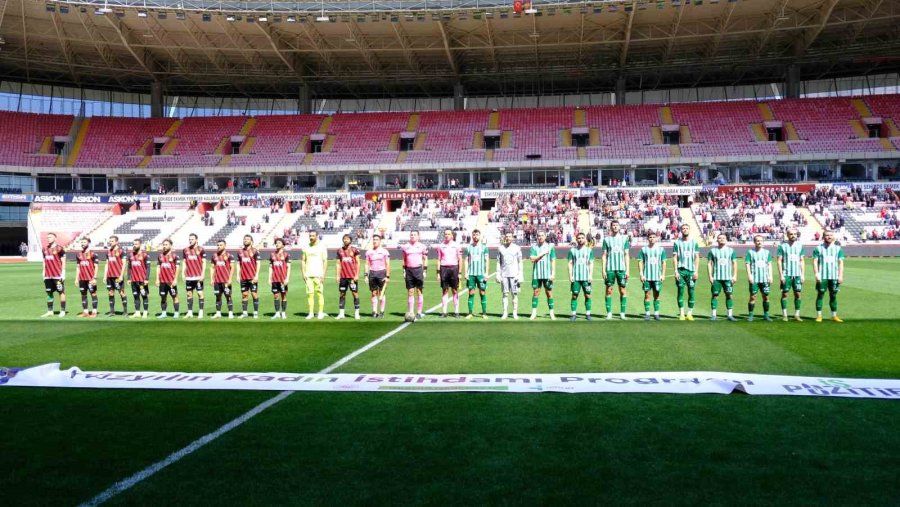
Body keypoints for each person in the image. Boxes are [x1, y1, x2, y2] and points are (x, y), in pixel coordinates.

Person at [812, 229, 845, 322]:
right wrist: (817, 274)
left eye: (830, 235)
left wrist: (840, 275)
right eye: (827, 235)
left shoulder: (838, 249)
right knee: (820, 294)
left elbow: (841, 263)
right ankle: (819, 316)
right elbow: (815, 262)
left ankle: (834, 316)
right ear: (823, 237)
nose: (829, 237)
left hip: (834, 276)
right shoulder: (818, 248)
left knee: (833, 295)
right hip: (822, 276)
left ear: (833, 237)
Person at [602, 220, 630, 320]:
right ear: (611, 227)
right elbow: (604, 255)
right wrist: (603, 270)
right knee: (609, 290)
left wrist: (627, 270)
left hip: (621, 269)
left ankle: (622, 313)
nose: (615, 227)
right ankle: (609, 313)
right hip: (610, 269)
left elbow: (626, 255)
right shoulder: (606, 240)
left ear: (619, 227)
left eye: (616, 225)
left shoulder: (624, 239)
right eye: (613, 225)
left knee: (622, 290)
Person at [672, 223, 700, 321]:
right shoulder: (677, 243)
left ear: (689, 229)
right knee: (680, 291)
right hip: (681, 271)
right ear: (681, 230)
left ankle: (689, 313)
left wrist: (696, 271)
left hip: (691, 271)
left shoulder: (694, 242)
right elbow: (674, 257)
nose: (685, 230)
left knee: (691, 292)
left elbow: (697, 257)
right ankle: (681, 314)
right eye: (683, 228)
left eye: (686, 228)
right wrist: (676, 271)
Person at [707, 233, 737, 321]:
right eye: (720, 238)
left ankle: (730, 315)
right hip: (716, 278)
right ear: (717, 240)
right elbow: (709, 264)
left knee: (729, 295)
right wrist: (710, 276)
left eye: (723, 238)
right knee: (715, 295)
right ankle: (713, 315)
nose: (722, 239)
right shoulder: (712, 251)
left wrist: (734, 275)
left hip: (728, 278)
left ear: (726, 240)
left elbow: (734, 263)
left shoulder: (731, 251)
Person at [777, 228, 805, 322]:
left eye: (795, 234)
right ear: (787, 235)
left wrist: (802, 274)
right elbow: (779, 261)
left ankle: (797, 314)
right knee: (785, 294)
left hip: (797, 274)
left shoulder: (800, 246)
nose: (793, 235)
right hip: (786, 274)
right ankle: (785, 315)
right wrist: (781, 275)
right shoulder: (782, 246)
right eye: (791, 234)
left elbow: (802, 261)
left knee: (798, 293)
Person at [638, 231, 666, 321]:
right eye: (650, 237)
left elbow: (664, 262)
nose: (652, 239)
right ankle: (647, 313)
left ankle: (656, 313)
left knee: (657, 294)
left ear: (656, 238)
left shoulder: (661, 249)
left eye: (653, 237)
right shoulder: (643, 249)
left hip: (657, 276)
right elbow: (640, 262)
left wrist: (663, 275)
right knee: (647, 295)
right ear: (648, 239)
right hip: (647, 277)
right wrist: (641, 274)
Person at [401, 230, 428, 320]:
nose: (412, 236)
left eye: (414, 235)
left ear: (418, 236)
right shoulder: (405, 247)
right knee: (410, 292)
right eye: (411, 235)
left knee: (419, 291)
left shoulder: (422, 246)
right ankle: (411, 312)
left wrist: (424, 270)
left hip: (418, 270)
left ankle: (419, 312)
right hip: (409, 270)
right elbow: (404, 259)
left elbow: (425, 259)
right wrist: (404, 270)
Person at [567, 232, 595, 321]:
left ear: (585, 239)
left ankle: (588, 314)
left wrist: (590, 275)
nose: (580, 239)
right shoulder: (572, 250)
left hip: (586, 277)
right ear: (576, 239)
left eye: (582, 238)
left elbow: (591, 263)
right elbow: (570, 263)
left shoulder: (589, 250)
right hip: (576, 278)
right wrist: (570, 275)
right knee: (574, 295)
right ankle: (573, 314)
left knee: (588, 295)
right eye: (579, 238)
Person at [529, 230, 556, 320]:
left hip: (547, 274)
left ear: (545, 236)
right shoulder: (534, 247)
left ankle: (551, 313)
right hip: (536, 274)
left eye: (542, 235)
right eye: (539, 235)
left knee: (549, 293)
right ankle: (533, 313)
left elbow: (553, 260)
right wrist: (543, 253)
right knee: (536, 292)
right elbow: (532, 259)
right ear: (537, 237)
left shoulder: (550, 247)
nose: (540, 237)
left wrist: (553, 273)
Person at [496, 232, 523, 320]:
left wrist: (520, 274)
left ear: (512, 238)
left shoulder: (517, 248)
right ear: (505, 237)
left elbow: (520, 261)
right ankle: (505, 312)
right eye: (506, 236)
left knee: (514, 294)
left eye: (509, 236)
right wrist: (498, 273)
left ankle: (515, 313)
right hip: (504, 275)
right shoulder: (500, 248)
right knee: (505, 294)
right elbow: (498, 262)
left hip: (514, 275)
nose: (508, 238)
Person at [301, 231, 328, 320]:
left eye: (313, 236)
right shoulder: (306, 247)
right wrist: (303, 273)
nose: (311, 237)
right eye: (310, 236)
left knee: (319, 293)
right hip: (308, 275)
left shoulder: (322, 246)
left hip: (318, 275)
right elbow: (303, 260)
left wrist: (323, 274)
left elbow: (325, 261)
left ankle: (320, 312)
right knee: (310, 295)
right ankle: (311, 313)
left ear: (317, 236)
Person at [436, 229, 462, 318]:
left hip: (454, 268)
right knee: (445, 290)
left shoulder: (457, 245)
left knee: (454, 290)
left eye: (448, 234)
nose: (447, 235)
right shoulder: (440, 246)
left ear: (452, 235)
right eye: (445, 234)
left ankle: (456, 312)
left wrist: (460, 272)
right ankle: (444, 312)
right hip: (443, 268)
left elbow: (460, 259)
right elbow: (438, 259)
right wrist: (438, 273)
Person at [464, 229, 490, 319]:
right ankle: (470, 313)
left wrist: (486, 273)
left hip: (481, 274)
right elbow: (466, 260)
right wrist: (466, 273)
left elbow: (487, 261)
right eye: (474, 235)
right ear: (472, 236)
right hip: (471, 274)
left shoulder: (484, 248)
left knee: (482, 292)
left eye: (477, 234)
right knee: (471, 293)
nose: (475, 236)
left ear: (480, 236)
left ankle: (484, 313)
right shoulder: (468, 247)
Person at [41, 232, 67, 318]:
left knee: (61, 292)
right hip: (48, 275)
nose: (49, 239)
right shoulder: (44, 249)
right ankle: (50, 311)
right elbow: (44, 261)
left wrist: (63, 273)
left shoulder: (59, 248)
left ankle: (62, 311)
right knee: (49, 293)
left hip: (57, 275)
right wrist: (43, 271)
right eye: (48, 237)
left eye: (51, 237)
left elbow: (63, 261)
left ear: (55, 238)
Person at [335, 234, 361, 320]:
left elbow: (358, 263)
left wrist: (357, 275)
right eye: (344, 239)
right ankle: (341, 313)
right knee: (342, 294)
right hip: (343, 277)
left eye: (347, 239)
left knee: (355, 293)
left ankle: (357, 313)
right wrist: (337, 276)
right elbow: (338, 264)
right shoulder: (339, 250)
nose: (345, 240)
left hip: (352, 277)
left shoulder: (354, 250)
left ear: (350, 240)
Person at [364, 234, 391, 318]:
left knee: (381, 292)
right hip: (372, 273)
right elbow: (366, 264)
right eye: (374, 239)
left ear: (380, 241)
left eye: (376, 239)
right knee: (374, 293)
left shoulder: (385, 251)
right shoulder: (369, 252)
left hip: (381, 273)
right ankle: (374, 312)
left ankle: (382, 311)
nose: (375, 241)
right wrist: (366, 275)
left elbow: (388, 264)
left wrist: (387, 276)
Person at [182, 233, 206, 319]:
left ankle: (201, 312)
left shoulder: (201, 249)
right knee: (189, 294)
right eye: (189, 239)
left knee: (200, 294)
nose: (190, 240)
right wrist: (183, 273)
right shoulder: (185, 250)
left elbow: (204, 262)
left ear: (196, 240)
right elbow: (184, 262)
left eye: (192, 239)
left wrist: (203, 274)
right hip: (189, 276)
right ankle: (189, 312)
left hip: (198, 276)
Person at [75, 237, 100, 318]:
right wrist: (76, 278)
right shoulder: (78, 254)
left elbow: (96, 266)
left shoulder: (93, 254)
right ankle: (85, 312)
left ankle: (94, 312)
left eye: (84, 242)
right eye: (82, 242)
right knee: (83, 294)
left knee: (93, 293)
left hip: (90, 279)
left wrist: (95, 278)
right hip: (82, 279)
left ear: (88, 243)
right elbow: (78, 267)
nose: (82, 244)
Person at [104, 235, 128, 317]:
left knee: (122, 293)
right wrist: (105, 276)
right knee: (110, 293)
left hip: (117, 276)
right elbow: (107, 264)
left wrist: (121, 275)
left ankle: (125, 311)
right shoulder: (108, 251)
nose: (110, 242)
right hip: (109, 276)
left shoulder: (121, 251)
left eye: (112, 241)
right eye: (110, 241)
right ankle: (112, 311)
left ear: (117, 242)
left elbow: (124, 264)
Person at [156, 239, 180, 319]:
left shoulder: (175, 256)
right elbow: (158, 268)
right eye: (163, 244)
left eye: (166, 245)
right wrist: (157, 279)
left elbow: (177, 268)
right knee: (163, 297)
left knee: (174, 296)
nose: (164, 246)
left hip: (171, 281)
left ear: (170, 246)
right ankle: (163, 313)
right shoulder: (160, 256)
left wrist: (175, 279)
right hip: (162, 281)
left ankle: (176, 313)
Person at [210, 240, 235, 319]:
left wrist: (230, 279)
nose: (219, 246)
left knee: (228, 296)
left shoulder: (229, 255)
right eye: (218, 245)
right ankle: (218, 313)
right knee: (218, 296)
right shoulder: (214, 256)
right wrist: (211, 279)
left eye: (220, 245)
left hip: (226, 281)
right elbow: (212, 267)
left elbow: (232, 267)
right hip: (217, 281)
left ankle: (230, 313)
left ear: (225, 246)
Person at [238, 235, 260, 319]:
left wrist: (256, 275)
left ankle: (255, 312)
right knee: (244, 295)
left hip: (252, 277)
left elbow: (258, 263)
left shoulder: (255, 251)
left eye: (248, 239)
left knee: (254, 294)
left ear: (251, 241)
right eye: (245, 239)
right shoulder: (240, 251)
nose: (245, 240)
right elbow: (238, 264)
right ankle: (244, 313)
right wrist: (238, 275)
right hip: (243, 277)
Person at [269, 238, 291, 319]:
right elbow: (270, 267)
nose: (277, 244)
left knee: (284, 295)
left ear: (283, 245)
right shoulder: (272, 254)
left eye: (279, 242)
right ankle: (277, 313)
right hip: (274, 279)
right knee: (275, 296)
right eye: (276, 243)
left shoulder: (286, 255)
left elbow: (289, 267)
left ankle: (283, 313)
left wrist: (287, 278)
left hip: (283, 279)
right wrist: (269, 278)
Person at [128, 238, 150, 318]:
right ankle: (137, 312)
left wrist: (146, 279)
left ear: (140, 244)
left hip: (142, 280)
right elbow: (129, 267)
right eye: (134, 244)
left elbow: (148, 267)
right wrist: (129, 278)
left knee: (144, 295)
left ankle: (145, 312)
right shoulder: (131, 255)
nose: (134, 245)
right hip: (134, 279)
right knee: (136, 296)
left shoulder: (145, 254)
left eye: (136, 244)